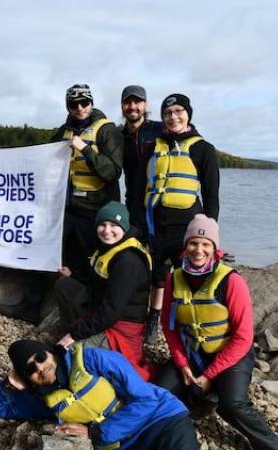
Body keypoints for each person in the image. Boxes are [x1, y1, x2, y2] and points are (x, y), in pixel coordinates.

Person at [0, 84, 123, 324]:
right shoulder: (64, 131)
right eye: (74, 104)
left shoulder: (107, 131)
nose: (80, 108)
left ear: (91, 103)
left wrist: (84, 148)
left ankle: (89, 314)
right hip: (64, 209)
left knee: (91, 262)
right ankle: (31, 306)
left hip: (94, 211)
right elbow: (39, 157)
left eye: (84, 103)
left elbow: (112, 172)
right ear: (68, 107)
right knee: (41, 248)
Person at [156, 215, 278, 450]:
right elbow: (168, 325)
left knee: (232, 404)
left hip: (232, 354)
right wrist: (182, 364)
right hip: (193, 354)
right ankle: (197, 406)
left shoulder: (232, 281)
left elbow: (244, 337)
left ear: (215, 248)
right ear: (185, 246)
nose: (199, 250)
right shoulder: (173, 279)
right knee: (161, 393)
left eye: (206, 244)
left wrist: (209, 376)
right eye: (193, 243)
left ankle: (272, 446)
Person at [0, 339, 199, 450]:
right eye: (30, 369)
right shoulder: (44, 401)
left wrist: (96, 434)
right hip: (127, 445)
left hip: (163, 420)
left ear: (51, 353)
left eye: (40, 357)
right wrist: (10, 383)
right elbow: (1, 407)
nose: (40, 368)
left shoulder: (93, 359)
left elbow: (147, 399)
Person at [131, 93, 220, 344]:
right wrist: (137, 224)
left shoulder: (203, 149)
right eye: (168, 114)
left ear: (188, 114)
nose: (173, 117)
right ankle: (153, 319)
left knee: (188, 276)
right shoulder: (152, 147)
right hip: (155, 224)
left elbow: (211, 196)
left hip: (188, 227)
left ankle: (188, 324)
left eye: (178, 111)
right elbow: (137, 190)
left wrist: (210, 232)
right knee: (157, 276)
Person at [54, 201, 155, 380]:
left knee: (66, 356)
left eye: (114, 225)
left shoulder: (128, 262)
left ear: (124, 226)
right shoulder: (109, 246)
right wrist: (73, 275)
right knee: (65, 285)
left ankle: (75, 338)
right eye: (102, 224)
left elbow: (111, 312)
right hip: (101, 311)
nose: (107, 231)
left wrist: (76, 333)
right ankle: (71, 333)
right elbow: (94, 276)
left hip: (120, 326)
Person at [119, 85, 163, 343]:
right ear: (123, 106)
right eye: (128, 103)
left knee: (159, 265)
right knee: (134, 256)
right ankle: (132, 310)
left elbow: (191, 138)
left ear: (145, 104)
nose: (133, 107)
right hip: (133, 203)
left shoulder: (159, 129)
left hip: (159, 204)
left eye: (138, 102)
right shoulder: (119, 134)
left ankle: (154, 317)